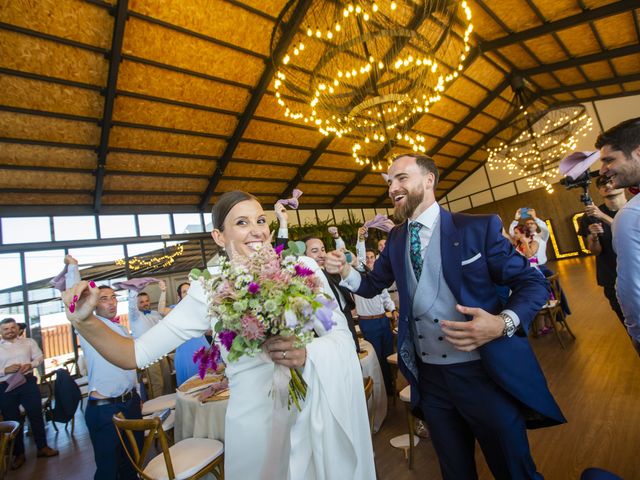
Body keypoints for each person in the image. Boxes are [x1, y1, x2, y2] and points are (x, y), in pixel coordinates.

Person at [63, 191, 375, 480]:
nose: (257, 230)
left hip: (311, 415)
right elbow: (134, 354)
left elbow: (341, 337)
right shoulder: (208, 289)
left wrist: (310, 354)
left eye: (260, 220)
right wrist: (85, 322)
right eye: (242, 222)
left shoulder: (302, 267)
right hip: (255, 429)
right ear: (218, 236)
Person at [326, 154, 565, 479]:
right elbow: (370, 285)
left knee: (514, 470)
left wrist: (502, 323)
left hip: (484, 373)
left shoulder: (478, 227)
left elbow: (531, 283)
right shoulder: (396, 239)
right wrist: (344, 271)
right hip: (432, 380)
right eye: (389, 182)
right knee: (455, 472)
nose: (392, 187)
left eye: (401, 178)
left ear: (429, 180)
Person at [62, 255, 143, 480]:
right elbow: (75, 300)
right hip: (104, 409)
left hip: (130, 403)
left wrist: (138, 394)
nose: (111, 302)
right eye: (104, 298)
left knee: (133, 464)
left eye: (113, 297)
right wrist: (73, 268)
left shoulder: (120, 329)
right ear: (93, 304)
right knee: (108, 469)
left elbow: (130, 365)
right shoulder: (89, 327)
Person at [275, 202, 361, 352]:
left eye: (322, 249)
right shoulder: (302, 280)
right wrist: (283, 222)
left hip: (347, 324)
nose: (321, 254)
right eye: (315, 251)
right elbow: (280, 255)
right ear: (303, 255)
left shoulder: (333, 270)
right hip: (322, 334)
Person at [597, 117, 640, 356]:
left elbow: (632, 290)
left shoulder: (631, 215)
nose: (603, 170)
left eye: (609, 160)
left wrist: (636, 333)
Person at [0, 318, 59, 470]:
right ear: (1, 331)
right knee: (12, 420)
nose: (10, 331)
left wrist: (31, 364)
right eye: (6, 329)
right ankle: (18, 454)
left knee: (36, 414)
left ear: (17, 328)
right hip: (5, 386)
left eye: (12, 327)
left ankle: (42, 447)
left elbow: (39, 357)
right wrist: (4, 370)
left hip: (27, 382)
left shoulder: (28, 342)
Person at [577, 175, 627, 326]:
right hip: (612, 278)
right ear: (599, 191)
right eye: (602, 184)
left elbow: (632, 231)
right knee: (630, 325)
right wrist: (594, 237)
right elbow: (595, 251)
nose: (607, 185)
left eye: (611, 181)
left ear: (622, 185)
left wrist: (603, 216)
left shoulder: (634, 208)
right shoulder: (589, 218)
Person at [353, 249, 397, 396]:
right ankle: (382, 393)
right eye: (367, 257)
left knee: (388, 355)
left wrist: (393, 309)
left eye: (372, 257)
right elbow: (359, 254)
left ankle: (391, 388)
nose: (370, 259)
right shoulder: (359, 278)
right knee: (377, 359)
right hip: (368, 323)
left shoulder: (379, 278)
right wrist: (360, 237)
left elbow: (385, 298)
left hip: (383, 320)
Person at [126, 281, 171, 396]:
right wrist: (134, 291)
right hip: (148, 354)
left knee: (167, 381)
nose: (145, 304)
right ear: (137, 304)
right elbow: (131, 307)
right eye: (141, 302)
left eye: (147, 301)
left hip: (161, 351)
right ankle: (157, 410)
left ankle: (169, 409)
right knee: (157, 384)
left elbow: (162, 308)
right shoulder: (135, 316)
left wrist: (163, 291)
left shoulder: (155, 314)